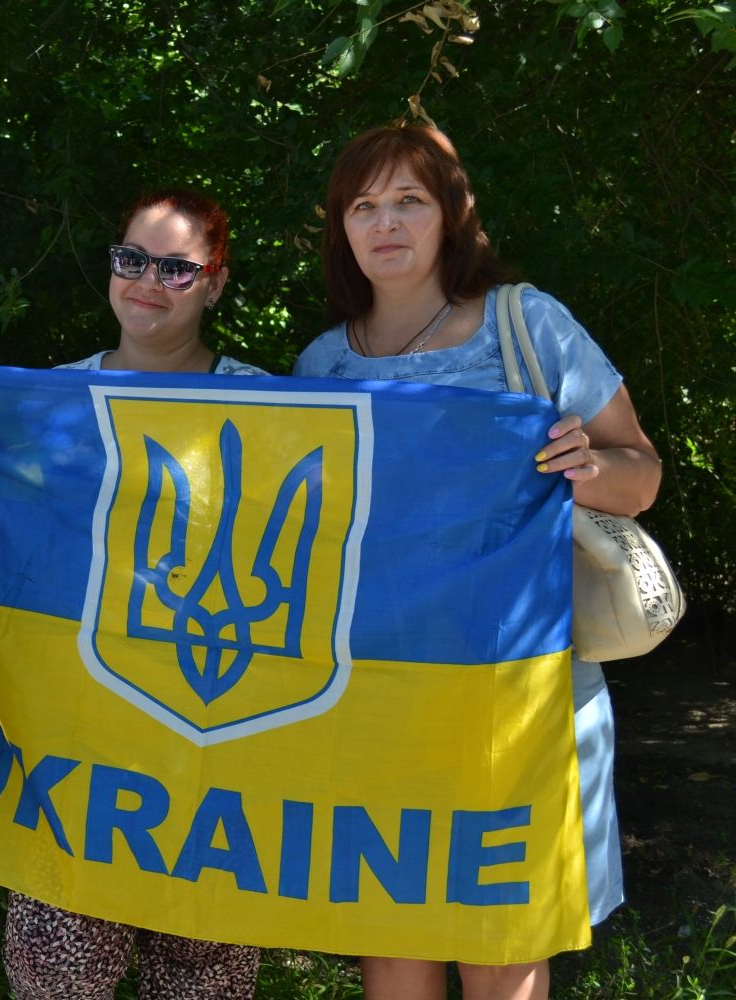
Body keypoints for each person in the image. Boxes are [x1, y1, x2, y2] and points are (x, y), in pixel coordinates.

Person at [293, 124, 661, 1000]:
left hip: (518, 691)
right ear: (342, 228)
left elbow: (640, 474)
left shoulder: (525, 323)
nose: (385, 223)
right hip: (376, 694)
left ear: (452, 214)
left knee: (501, 945)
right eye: (363, 206)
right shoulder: (319, 365)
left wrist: (588, 468)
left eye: (409, 201)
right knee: (394, 938)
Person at [1, 189, 263, 1000]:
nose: (148, 281)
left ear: (215, 283)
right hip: (76, 753)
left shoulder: (275, 408)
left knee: (205, 981)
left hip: (216, 747)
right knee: (57, 979)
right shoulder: (44, 405)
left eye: (176, 268)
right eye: (132, 259)